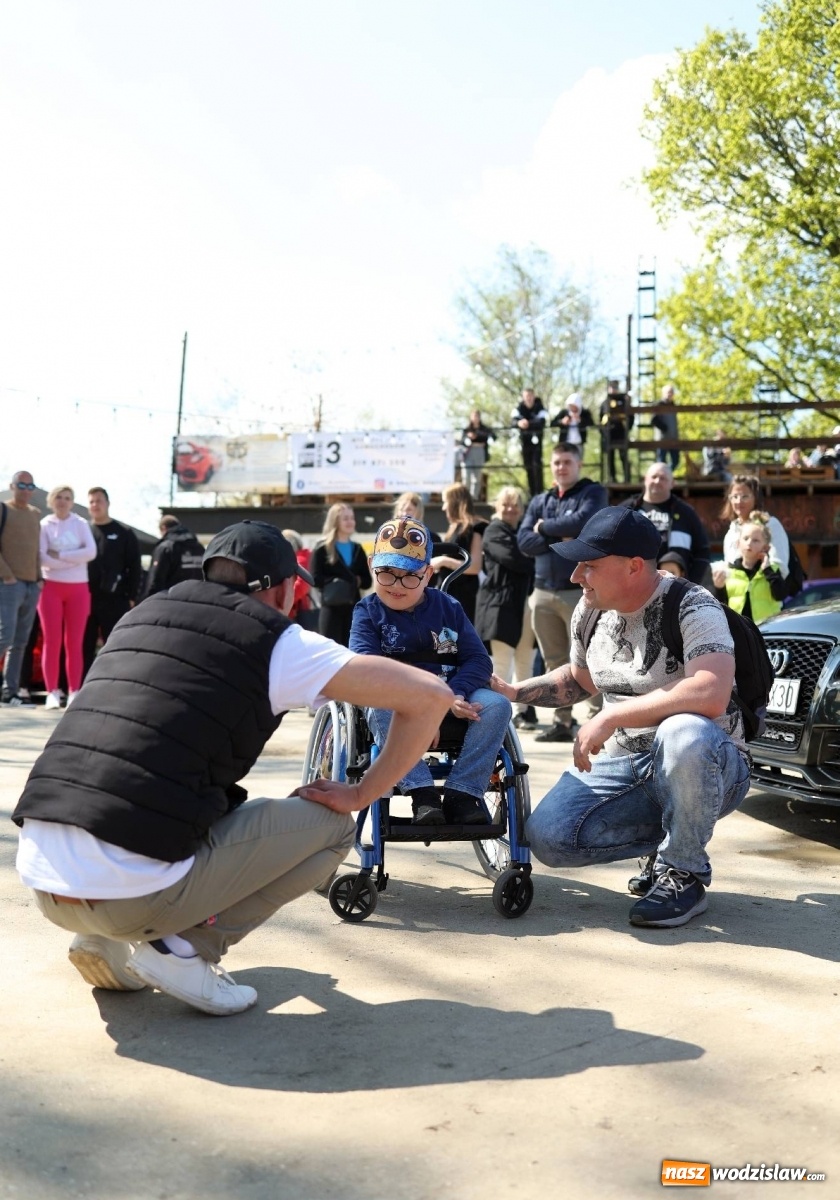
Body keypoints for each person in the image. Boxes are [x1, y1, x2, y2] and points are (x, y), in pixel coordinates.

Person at [12, 521, 452, 1016]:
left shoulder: (141, 615)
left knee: (160, 779)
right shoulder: (281, 642)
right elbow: (430, 696)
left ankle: (103, 935)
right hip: (129, 891)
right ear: (284, 590)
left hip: (45, 879)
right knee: (333, 828)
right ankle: (183, 950)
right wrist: (360, 793)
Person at [493, 506, 751, 929]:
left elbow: (711, 691)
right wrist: (514, 692)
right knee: (549, 837)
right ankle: (667, 843)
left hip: (709, 766)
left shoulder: (693, 605)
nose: (576, 576)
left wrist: (613, 716)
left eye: (589, 565)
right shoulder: (590, 610)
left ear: (633, 567)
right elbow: (580, 680)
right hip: (628, 764)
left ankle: (683, 872)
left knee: (683, 731)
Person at [350, 517, 511, 825]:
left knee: (497, 705)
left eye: (409, 576)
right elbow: (368, 668)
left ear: (427, 574)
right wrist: (421, 705)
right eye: (387, 574)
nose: (397, 585)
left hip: (453, 692)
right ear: (372, 566)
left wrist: (452, 694)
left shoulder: (448, 607)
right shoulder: (367, 612)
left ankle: (463, 793)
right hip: (398, 700)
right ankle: (422, 793)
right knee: (378, 704)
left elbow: (478, 659)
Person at [517, 443, 607, 741]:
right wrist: (560, 536)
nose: (561, 467)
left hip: (581, 591)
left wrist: (544, 528)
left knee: (592, 656)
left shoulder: (592, 492)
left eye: (567, 461)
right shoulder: (540, 500)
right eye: (556, 462)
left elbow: (584, 523)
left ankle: (599, 720)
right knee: (554, 659)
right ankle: (562, 722)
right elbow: (524, 541)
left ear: (579, 464)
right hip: (542, 592)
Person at [474, 487, 537, 732]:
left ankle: (524, 712)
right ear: (497, 506)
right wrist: (535, 553)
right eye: (506, 504)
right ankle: (499, 715)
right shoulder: (494, 530)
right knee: (501, 665)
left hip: (524, 605)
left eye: (515, 505)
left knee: (525, 662)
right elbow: (513, 558)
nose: (510, 509)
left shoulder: (520, 532)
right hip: (501, 607)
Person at [38, 485, 97, 709]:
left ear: (72, 502)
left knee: (74, 642)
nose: (63, 501)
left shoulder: (80, 524)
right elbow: (43, 558)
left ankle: (74, 691)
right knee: (51, 641)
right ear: (52, 500)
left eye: (67, 498)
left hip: (78, 588)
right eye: (59, 497)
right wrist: (74, 559)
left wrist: (61, 555)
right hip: (51, 587)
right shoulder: (45, 524)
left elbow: (90, 552)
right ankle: (52, 692)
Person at [83, 487, 143, 675]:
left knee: (116, 645)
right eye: (91, 501)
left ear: (108, 503)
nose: (95, 505)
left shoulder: (124, 532)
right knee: (83, 646)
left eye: (99, 501)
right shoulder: (83, 531)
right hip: (85, 599)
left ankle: (115, 682)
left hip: (115, 600)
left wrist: (131, 597)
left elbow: (135, 567)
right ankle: (83, 686)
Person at [620, 463, 711, 587]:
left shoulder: (686, 513)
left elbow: (702, 551)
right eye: (654, 477)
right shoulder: (625, 511)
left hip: (675, 589)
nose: (657, 481)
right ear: (645, 479)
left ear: (672, 483)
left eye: (663, 478)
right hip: (632, 587)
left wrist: (691, 585)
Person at [0, 470, 42, 706]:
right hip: (8, 584)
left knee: (20, 642)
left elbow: (37, 549)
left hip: (31, 585)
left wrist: (39, 578)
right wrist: (6, 575)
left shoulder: (35, 514)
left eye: (30, 486)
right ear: (12, 486)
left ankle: (10, 691)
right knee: (4, 636)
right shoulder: (3, 509)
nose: (26, 490)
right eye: (21, 485)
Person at [310, 504, 372, 647]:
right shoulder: (322, 548)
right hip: (331, 608)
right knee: (331, 649)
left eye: (352, 518)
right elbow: (315, 579)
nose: (350, 522)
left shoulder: (357, 549)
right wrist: (335, 582)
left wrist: (357, 581)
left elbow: (367, 581)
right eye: (345, 518)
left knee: (352, 650)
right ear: (335, 521)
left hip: (353, 608)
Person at [429, 482, 488, 624]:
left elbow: (475, 566)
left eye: (445, 502)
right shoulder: (455, 527)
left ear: (455, 502)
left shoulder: (474, 527)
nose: (443, 507)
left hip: (464, 597)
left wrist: (443, 561)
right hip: (448, 594)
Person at [712, 518, 785, 623]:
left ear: (765, 547)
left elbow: (780, 595)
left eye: (755, 540)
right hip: (738, 629)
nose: (749, 543)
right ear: (738, 543)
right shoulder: (729, 571)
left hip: (767, 628)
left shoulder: (772, 569)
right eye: (745, 538)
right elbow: (721, 607)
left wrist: (767, 569)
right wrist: (719, 588)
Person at [721, 476, 789, 581]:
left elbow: (780, 566)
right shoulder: (731, 533)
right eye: (735, 496)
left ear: (755, 498)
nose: (739, 501)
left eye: (745, 496)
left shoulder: (770, 524)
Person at [142, 514, 204, 599]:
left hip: (170, 602)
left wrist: (148, 601)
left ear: (163, 528)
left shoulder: (165, 548)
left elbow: (155, 581)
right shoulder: (199, 548)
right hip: (197, 599)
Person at [512, 387, 548, 498]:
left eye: (530, 396)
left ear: (533, 396)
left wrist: (528, 423)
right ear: (523, 397)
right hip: (525, 442)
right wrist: (519, 423)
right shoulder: (519, 408)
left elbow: (542, 421)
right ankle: (532, 495)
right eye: (526, 396)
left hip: (537, 443)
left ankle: (540, 493)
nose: (528, 398)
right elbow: (513, 421)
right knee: (528, 467)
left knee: (537, 466)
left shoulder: (539, 407)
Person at [599, 380, 634, 483]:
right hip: (609, 433)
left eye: (615, 388)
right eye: (612, 388)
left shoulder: (623, 401)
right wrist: (603, 433)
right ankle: (612, 478)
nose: (613, 390)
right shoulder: (605, 403)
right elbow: (601, 419)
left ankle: (627, 478)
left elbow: (631, 416)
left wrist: (628, 429)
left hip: (621, 432)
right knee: (610, 457)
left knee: (624, 456)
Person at [459, 409, 494, 501]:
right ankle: (465, 497)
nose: (475, 418)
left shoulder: (484, 429)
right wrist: (468, 437)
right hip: (468, 452)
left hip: (480, 451)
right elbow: (462, 441)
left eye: (477, 416)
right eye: (474, 416)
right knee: (466, 475)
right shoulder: (467, 429)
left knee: (477, 477)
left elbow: (492, 436)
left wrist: (477, 436)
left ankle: (473, 498)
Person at [651, 383, 680, 470]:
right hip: (662, 438)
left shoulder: (673, 405)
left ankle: (667, 474)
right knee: (661, 462)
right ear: (663, 393)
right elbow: (654, 420)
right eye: (668, 392)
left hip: (673, 438)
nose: (670, 394)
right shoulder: (659, 404)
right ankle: (664, 474)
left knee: (675, 461)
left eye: (671, 392)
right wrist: (664, 428)